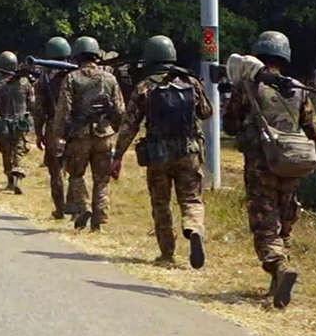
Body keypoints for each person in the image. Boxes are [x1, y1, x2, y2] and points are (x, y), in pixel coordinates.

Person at [223, 31, 316, 309]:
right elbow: (315, 131)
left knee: (264, 223)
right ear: (284, 57)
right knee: (285, 222)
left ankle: (279, 267)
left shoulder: (248, 86)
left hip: (261, 165)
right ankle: (278, 283)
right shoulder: (298, 89)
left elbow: (230, 125)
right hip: (292, 164)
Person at [113, 35, 211, 267]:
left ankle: (167, 253)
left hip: (158, 154)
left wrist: (117, 156)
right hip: (189, 151)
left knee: (161, 203)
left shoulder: (144, 87)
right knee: (191, 198)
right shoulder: (190, 81)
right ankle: (194, 228)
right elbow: (206, 111)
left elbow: (129, 125)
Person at [53, 37, 125, 231]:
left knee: (76, 175)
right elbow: (120, 110)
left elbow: (63, 111)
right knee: (102, 181)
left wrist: (59, 136)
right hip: (104, 136)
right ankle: (99, 222)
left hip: (79, 136)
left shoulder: (71, 78)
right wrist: (113, 128)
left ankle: (84, 207)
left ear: (77, 55)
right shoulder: (109, 78)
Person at [33, 37, 75, 218]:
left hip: (53, 128)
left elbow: (39, 110)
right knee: (75, 170)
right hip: (75, 128)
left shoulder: (44, 80)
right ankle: (75, 207)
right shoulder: (76, 75)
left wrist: (38, 132)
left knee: (55, 171)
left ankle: (60, 209)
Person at [0, 51, 35, 194]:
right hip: (21, 123)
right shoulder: (25, 82)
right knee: (19, 150)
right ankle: (18, 179)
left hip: (4, 124)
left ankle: (10, 182)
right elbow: (32, 103)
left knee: (6, 152)